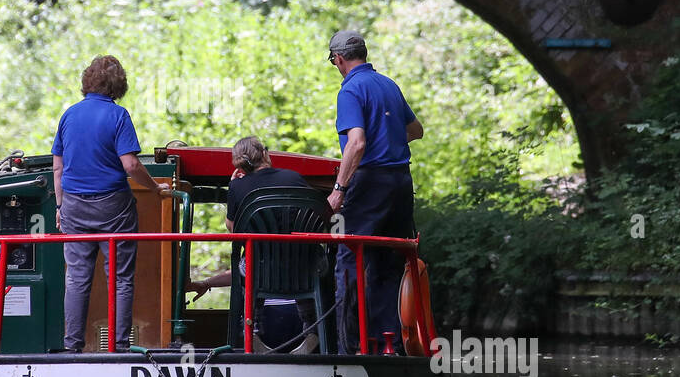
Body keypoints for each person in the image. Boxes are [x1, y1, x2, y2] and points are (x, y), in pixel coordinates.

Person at [52, 55, 169, 352]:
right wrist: (155, 188)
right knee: (120, 278)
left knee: (77, 278)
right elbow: (130, 165)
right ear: (119, 85)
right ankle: (118, 346)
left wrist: (60, 207)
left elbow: (58, 167)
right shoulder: (118, 116)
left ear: (87, 80)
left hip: (74, 206)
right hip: (113, 208)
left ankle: (72, 347)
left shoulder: (69, 115)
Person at [325, 30, 423, 354]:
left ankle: (348, 346)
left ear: (338, 59)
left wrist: (339, 189)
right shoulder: (388, 85)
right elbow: (415, 130)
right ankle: (388, 345)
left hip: (369, 183)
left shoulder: (351, 89)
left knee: (348, 257)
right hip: (401, 182)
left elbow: (357, 143)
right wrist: (389, 142)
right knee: (389, 262)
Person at [187, 136, 324, 353]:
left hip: (260, 270)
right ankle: (314, 331)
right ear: (265, 154)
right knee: (305, 258)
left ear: (240, 165)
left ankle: (252, 330)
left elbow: (233, 229)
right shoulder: (295, 178)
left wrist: (234, 185)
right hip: (303, 269)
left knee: (250, 259)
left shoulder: (238, 187)